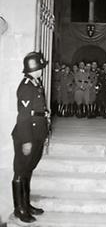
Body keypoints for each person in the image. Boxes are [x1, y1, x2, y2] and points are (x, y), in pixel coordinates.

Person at [11, 51, 49, 223]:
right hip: (27, 135)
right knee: (20, 171)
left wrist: (44, 132)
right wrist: (26, 141)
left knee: (28, 169)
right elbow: (24, 116)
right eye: (40, 67)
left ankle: (26, 204)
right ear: (34, 67)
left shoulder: (35, 83)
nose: (42, 69)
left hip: (37, 133)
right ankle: (19, 209)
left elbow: (40, 111)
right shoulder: (26, 86)